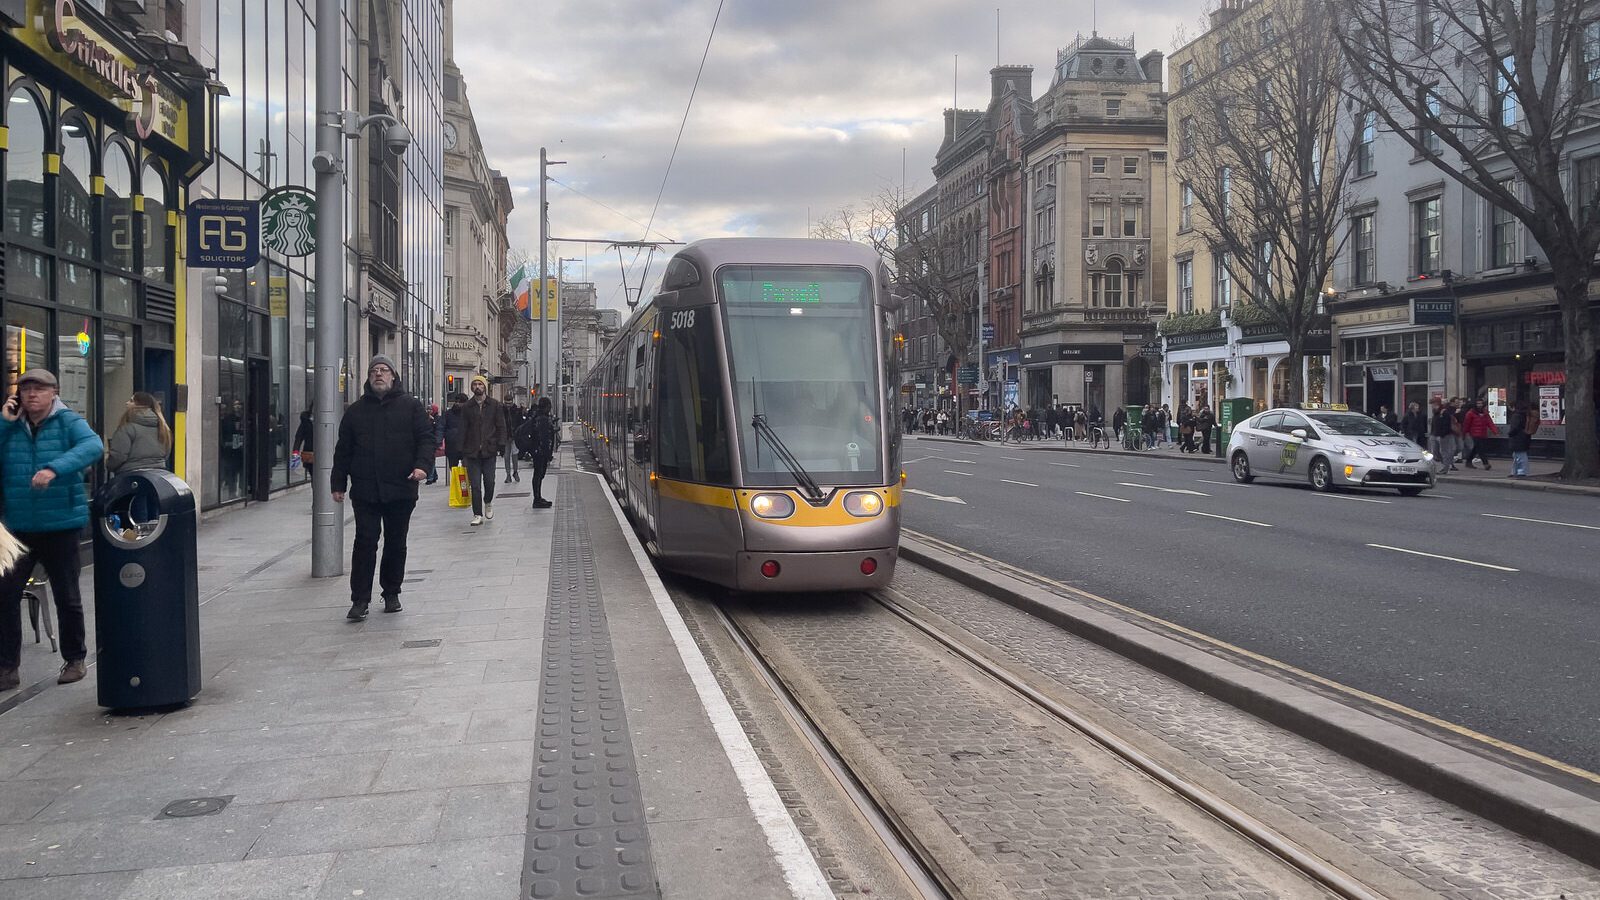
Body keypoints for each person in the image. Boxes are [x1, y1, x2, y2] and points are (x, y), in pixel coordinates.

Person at [0, 369, 104, 690]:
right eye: (26, 388)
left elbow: (93, 446)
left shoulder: (68, 421)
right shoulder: (11, 424)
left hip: (60, 525)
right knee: (4, 597)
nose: (31, 394)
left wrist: (53, 469)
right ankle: (7, 668)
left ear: (54, 393)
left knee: (67, 595)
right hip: (16, 526)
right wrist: (4, 422)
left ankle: (75, 659)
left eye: (39, 389)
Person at [329, 356, 433, 620]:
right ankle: (360, 599)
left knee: (396, 543)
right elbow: (343, 450)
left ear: (393, 376)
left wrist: (422, 466)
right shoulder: (356, 411)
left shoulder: (411, 406)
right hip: (366, 490)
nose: (379, 374)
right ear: (368, 377)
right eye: (374, 371)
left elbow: (425, 440)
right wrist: (338, 483)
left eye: (384, 370)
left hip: (402, 487)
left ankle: (391, 592)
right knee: (365, 542)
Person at [459, 374, 505, 525]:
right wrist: (461, 450)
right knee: (476, 485)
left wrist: (501, 444)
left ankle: (488, 501)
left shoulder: (495, 405)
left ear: (485, 387)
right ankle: (477, 514)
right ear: (472, 388)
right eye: (475, 384)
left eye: (480, 384)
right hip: (472, 452)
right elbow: (463, 429)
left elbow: (501, 426)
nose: (477, 387)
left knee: (490, 481)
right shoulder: (467, 407)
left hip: (489, 450)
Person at [106, 392, 173, 476]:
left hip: (130, 475)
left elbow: (118, 456)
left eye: (131, 401)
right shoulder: (164, 428)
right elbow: (166, 454)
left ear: (139, 405)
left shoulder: (127, 428)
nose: (127, 403)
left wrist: (108, 465)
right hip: (158, 475)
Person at [518, 396, 560, 508]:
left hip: (536, 450)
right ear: (547, 407)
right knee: (539, 474)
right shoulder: (542, 419)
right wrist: (547, 454)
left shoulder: (537, 416)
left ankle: (538, 497)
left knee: (538, 474)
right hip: (540, 452)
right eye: (549, 406)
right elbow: (544, 438)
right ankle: (537, 499)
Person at [1461, 397, 1499, 469]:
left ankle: (1468, 461)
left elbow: (1489, 422)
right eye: (1478, 403)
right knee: (1480, 448)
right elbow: (1466, 424)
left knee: (1476, 448)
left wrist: (1495, 431)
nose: (1479, 405)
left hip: (1482, 433)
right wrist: (1464, 433)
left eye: (1481, 403)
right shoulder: (1470, 413)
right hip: (1474, 433)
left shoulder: (1485, 413)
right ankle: (1486, 463)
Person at [1429, 397, 1459, 473]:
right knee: (1435, 452)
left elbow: (1446, 424)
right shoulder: (1435, 412)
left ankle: (1445, 468)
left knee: (1444, 452)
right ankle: (1445, 464)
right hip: (1435, 434)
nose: (1432, 405)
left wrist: (1442, 434)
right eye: (1432, 404)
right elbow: (1434, 424)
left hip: (1443, 435)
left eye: (1433, 404)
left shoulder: (1444, 412)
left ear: (1437, 404)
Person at [1506, 399, 1534, 478]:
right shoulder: (1525, 414)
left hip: (1517, 438)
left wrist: (1510, 433)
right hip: (1524, 437)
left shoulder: (1516, 415)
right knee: (1519, 455)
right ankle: (1516, 471)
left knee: (1519, 455)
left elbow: (1515, 427)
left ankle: (1521, 471)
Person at [442, 391, 467, 471]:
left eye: (460, 402)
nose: (458, 404)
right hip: (452, 445)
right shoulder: (448, 414)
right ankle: (457, 483)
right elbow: (441, 427)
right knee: (453, 469)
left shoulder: (469, 413)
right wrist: (438, 441)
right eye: (457, 402)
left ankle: (465, 483)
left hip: (466, 446)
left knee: (467, 468)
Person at [502, 398, 524, 483]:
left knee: (514, 455)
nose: (508, 406)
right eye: (506, 403)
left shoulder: (516, 411)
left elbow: (520, 423)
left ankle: (515, 472)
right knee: (506, 456)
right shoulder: (502, 411)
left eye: (509, 403)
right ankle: (508, 475)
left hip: (515, 437)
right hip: (506, 437)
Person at [292, 409, 314, 474]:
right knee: (312, 472)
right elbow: (298, 439)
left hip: (324, 453)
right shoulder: (306, 421)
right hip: (310, 452)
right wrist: (295, 454)